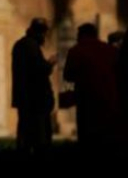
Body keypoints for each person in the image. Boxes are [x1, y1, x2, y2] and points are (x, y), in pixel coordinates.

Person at [64, 23, 121, 154]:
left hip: (87, 102)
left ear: (81, 35)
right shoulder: (111, 50)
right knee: (108, 141)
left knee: (88, 141)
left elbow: (68, 75)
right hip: (110, 100)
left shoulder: (75, 51)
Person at [12, 18, 56, 155]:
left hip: (26, 98)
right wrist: (50, 64)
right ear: (39, 32)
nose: (44, 37)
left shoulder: (21, 45)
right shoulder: (30, 46)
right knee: (39, 137)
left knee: (25, 134)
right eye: (43, 33)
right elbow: (38, 70)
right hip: (35, 100)